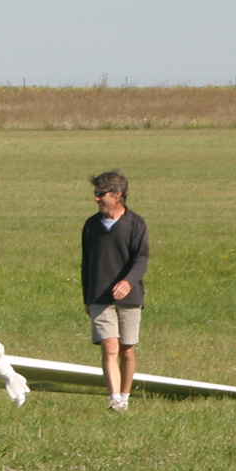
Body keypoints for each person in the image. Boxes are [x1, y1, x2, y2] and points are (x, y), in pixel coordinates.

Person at [81, 170, 149, 411]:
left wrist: (128, 282)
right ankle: (115, 400)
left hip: (130, 297)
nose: (96, 199)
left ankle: (126, 396)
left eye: (101, 194)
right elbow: (86, 263)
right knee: (110, 347)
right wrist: (87, 298)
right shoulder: (91, 225)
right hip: (99, 296)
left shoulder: (136, 224)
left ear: (117, 195)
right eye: (96, 194)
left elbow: (141, 259)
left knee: (127, 349)